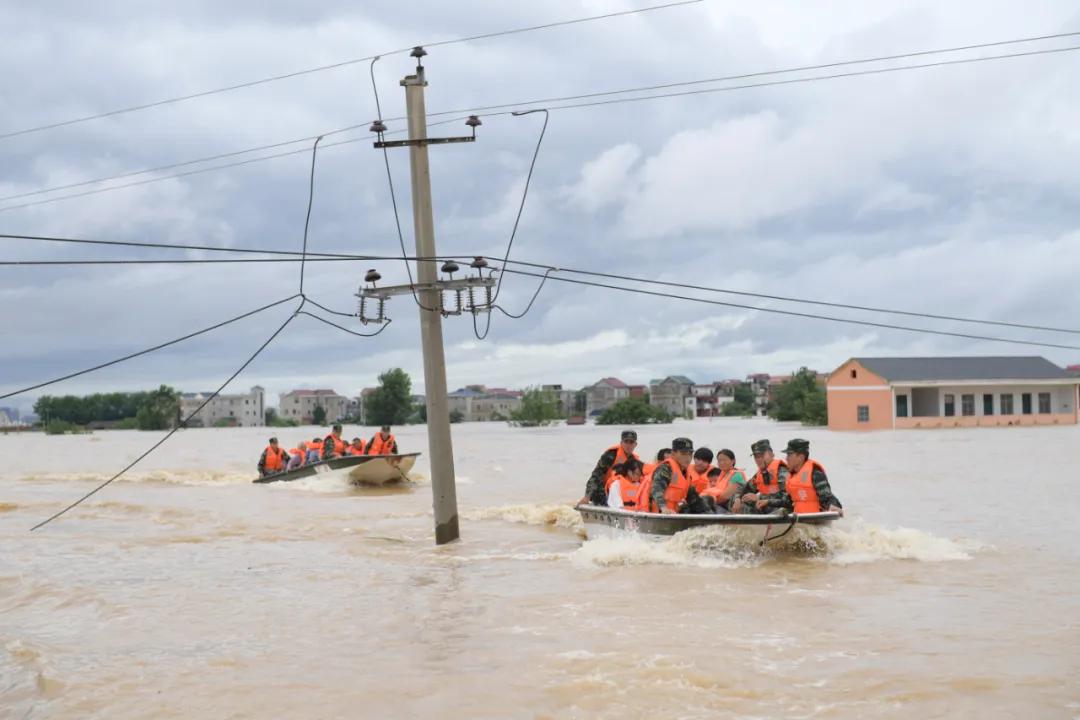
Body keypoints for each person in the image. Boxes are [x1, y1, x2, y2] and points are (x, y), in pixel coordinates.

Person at [642, 437, 708, 514]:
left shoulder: (686, 473)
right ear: (673, 454)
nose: (687, 457)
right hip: (658, 513)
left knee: (705, 504)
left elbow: (693, 498)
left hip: (674, 513)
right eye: (683, 453)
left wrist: (708, 512)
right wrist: (663, 507)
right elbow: (656, 489)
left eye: (690, 454)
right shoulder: (665, 469)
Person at [579, 430, 640, 506]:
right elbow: (596, 476)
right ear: (621, 443)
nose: (628, 445)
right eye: (626, 442)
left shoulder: (635, 460)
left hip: (620, 491)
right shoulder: (610, 455)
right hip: (602, 490)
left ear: (635, 444)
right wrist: (587, 497)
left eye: (631, 442)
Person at [782, 439, 843, 515]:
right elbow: (787, 501)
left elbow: (828, 497)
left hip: (815, 520)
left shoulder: (815, 474)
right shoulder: (793, 476)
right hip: (798, 517)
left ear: (801, 457)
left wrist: (834, 506)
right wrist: (768, 502)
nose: (786, 458)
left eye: (789, 455)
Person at [733, 439, 789, 514]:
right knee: (738, 501)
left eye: (761, 455)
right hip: (764, 509)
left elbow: (787, 498)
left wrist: (759, 497)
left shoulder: (782, 472)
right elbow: (743, 488)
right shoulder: (760, 474)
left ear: (772, 454)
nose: (758, 459)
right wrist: (738, 499)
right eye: (756, 456)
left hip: (780, 510)